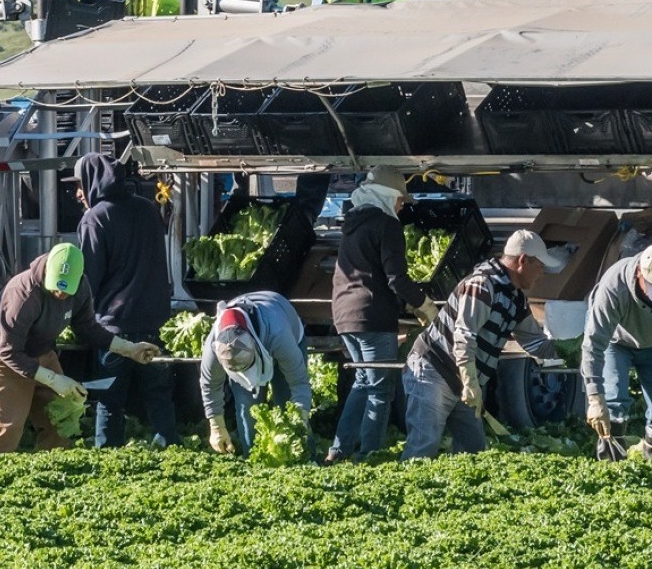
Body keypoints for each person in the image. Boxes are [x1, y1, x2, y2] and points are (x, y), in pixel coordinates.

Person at [0, 243, 160, 454]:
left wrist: (128, 348)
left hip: (43, 353)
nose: (59, 293)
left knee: (60, 421)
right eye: (56, 285)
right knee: (7, 427)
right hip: (5, 361)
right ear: (47, 271)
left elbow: (87, 327)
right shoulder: (23, 294)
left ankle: (52, 476)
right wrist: (53, 379)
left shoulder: (81, 287)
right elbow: (9, 351)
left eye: (66, 289)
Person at [401, 230, 560, 459]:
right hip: (434, 371)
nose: (542, 274)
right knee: (424, 446)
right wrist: (471, 384)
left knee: (473, 451)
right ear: (523, 261)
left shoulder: (516, 298)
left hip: (465, 381)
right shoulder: (482, 286)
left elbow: (535, 341)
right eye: (540, 266)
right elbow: (464, 337)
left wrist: (567, 360)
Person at [327, 167, 436, 464]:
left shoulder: (353, 223)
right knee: (381, 387)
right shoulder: (387, 224)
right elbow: (396, 279)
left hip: (344, 314)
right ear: (388, 196)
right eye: (401, 200)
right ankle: (370, 453)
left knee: (364, 380)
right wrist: (424, 305)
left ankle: (339, 449)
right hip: (371, 314)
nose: (402, 206)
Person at [71, 152, 178, 448]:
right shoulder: (147, 210)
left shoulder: (95, 219)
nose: (78, 193)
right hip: (156, 321)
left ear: (93, 181)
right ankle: (170, 452)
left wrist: (77, 317)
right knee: (159, 398)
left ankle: (108, 462)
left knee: (108, 400)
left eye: (80, 184)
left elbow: (89, 277)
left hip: (114, 328)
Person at [581, 242, 652, 462]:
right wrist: (595, 398)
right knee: (613, 403)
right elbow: (594, 344)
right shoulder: (614, 286)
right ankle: (610, 469)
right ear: (639, 274)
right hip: (615, 342)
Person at [200, 291, 312, 458]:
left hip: (281, 317)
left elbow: (299, 383)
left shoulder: (279, 336)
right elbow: (210, 385)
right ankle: (254, 462)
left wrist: (301, 417)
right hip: (260, 333)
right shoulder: (214, 349)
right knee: (247, 410)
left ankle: (307, 458)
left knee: (287, 404)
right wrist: (217, 427)